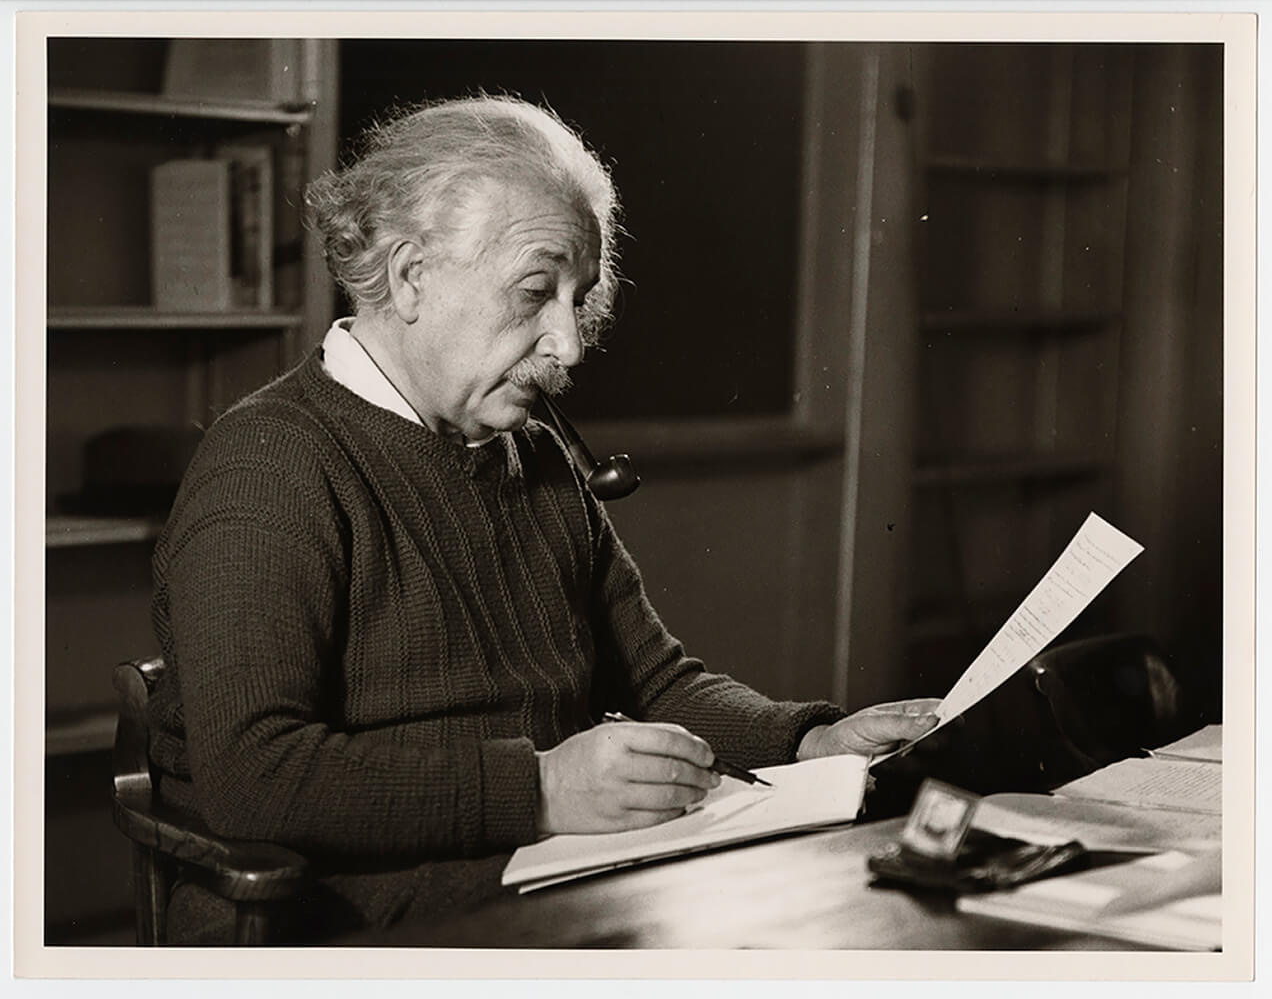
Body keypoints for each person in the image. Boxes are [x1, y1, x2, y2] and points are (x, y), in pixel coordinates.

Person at [147, 95, 939, 940]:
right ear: (411, 275)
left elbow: (657, 681)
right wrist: (543, 790)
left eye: (579, 297)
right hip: (358, 913)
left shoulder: (535, 451)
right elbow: (254, 778)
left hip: (549, 874)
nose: (569, 343)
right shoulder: (271, 465)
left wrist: (807, 741)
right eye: (535, 293)